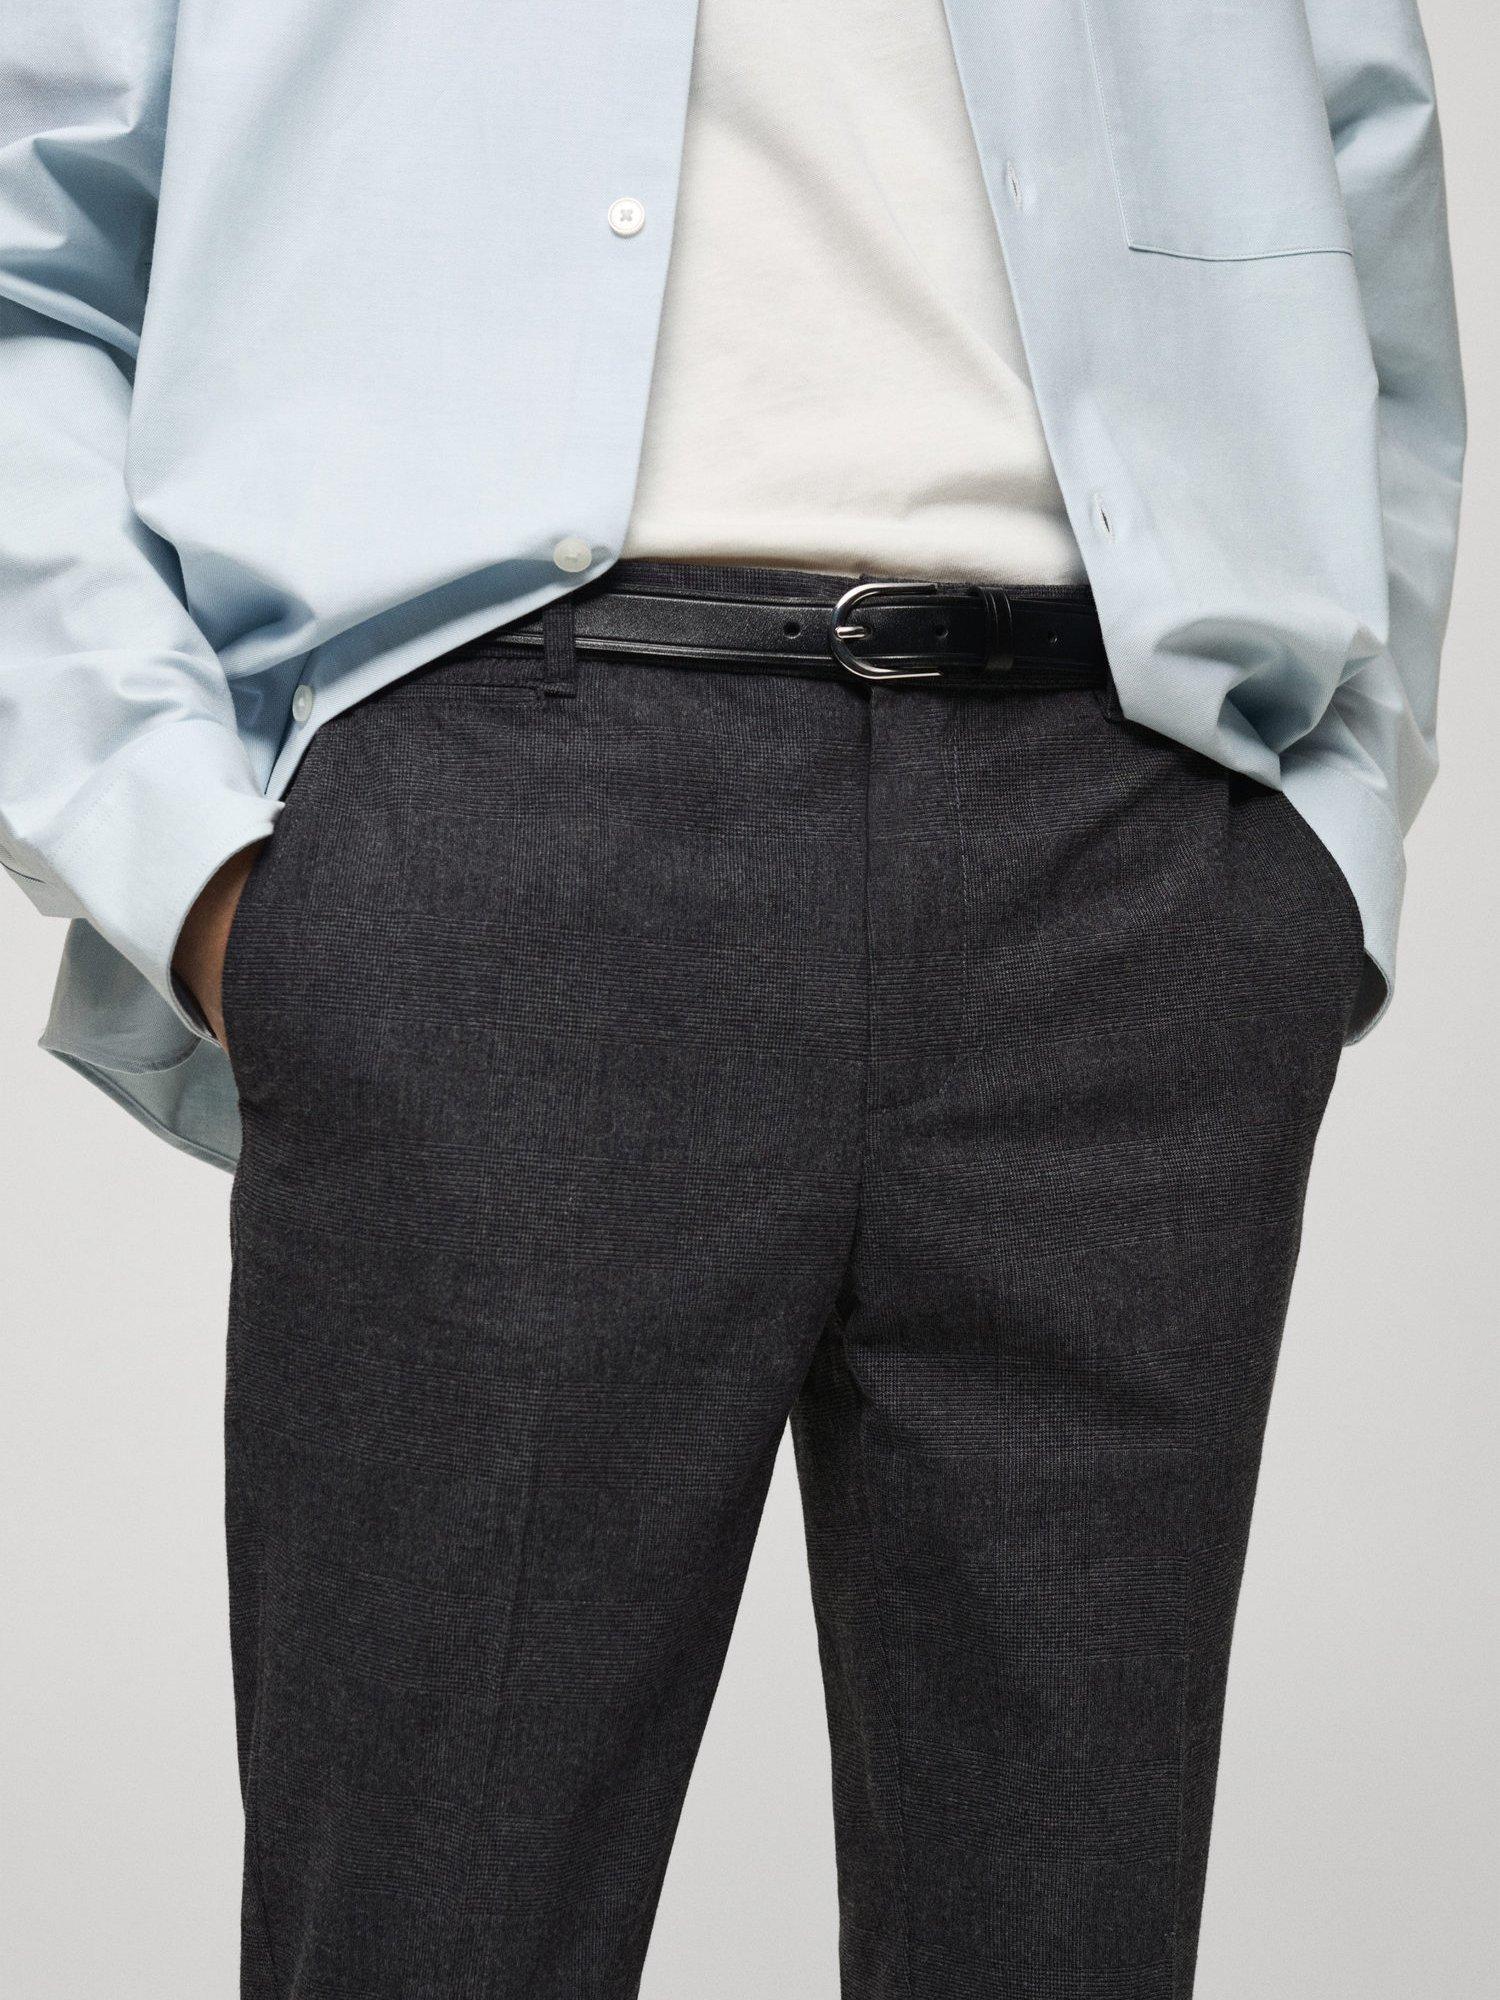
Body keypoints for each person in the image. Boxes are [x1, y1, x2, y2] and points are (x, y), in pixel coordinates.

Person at [0, 0, 1465, 1993]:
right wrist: (197, 868)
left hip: (1126, 857)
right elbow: (29, 267)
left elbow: (1373, 264)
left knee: (1068, 1942)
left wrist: (1318, 841)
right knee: (433, 1934)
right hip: (508, 829)